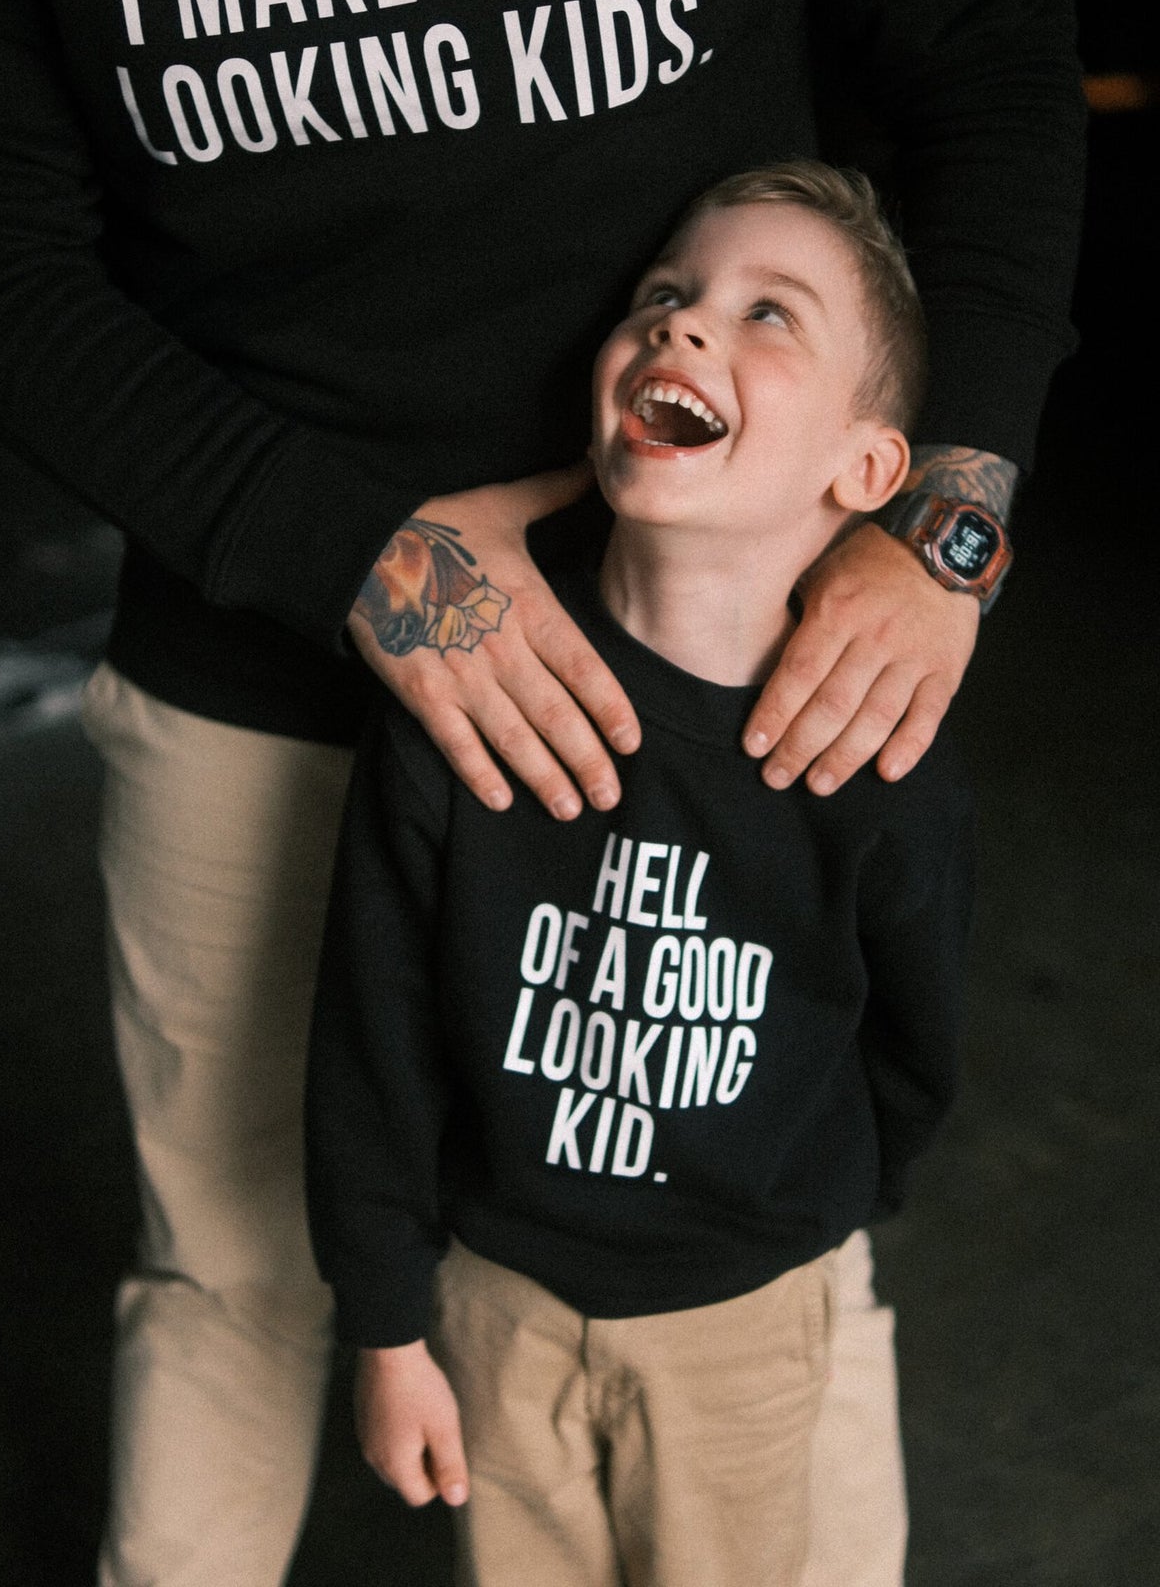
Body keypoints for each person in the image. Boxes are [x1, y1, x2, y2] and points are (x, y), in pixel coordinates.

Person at [0, 0, 1083, 1583]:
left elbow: (989, 37)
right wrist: (347, 555)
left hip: (715, 653)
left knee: (779, 1260)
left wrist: (949, 507)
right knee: (234, 1266)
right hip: (260, 651)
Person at [305, 161, 975, 1587]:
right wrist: (384, 1322)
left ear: (864, 470)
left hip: (743, 1319)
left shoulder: (879, 757)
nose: (682, 329)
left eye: (764, 314)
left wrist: (810, 1214)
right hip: (495, 1304)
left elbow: (913, 1040)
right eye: (663, 299)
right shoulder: (466, 696)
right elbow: (371, 1041)